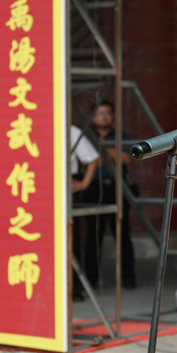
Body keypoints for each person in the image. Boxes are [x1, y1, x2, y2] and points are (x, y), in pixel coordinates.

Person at [83, 100, 137, 290]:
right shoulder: (85, 136)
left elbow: (127, 159)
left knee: (122, 234)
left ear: (113, 116)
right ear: (93, 117)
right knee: (93, 235)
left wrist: (103, 151)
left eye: (107, 112)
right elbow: (83, 161)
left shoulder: (121, 135)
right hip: (94, 188)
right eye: (100, 113)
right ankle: (91, 280)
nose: (104, 116)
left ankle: (128, 279)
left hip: (117, 187)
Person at [69, 124, 99, 302]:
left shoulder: (71, 130)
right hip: (36, 185)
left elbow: (92, 159)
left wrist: (84, 183)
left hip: (68, 184)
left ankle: (74, 287)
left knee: (72, 239)